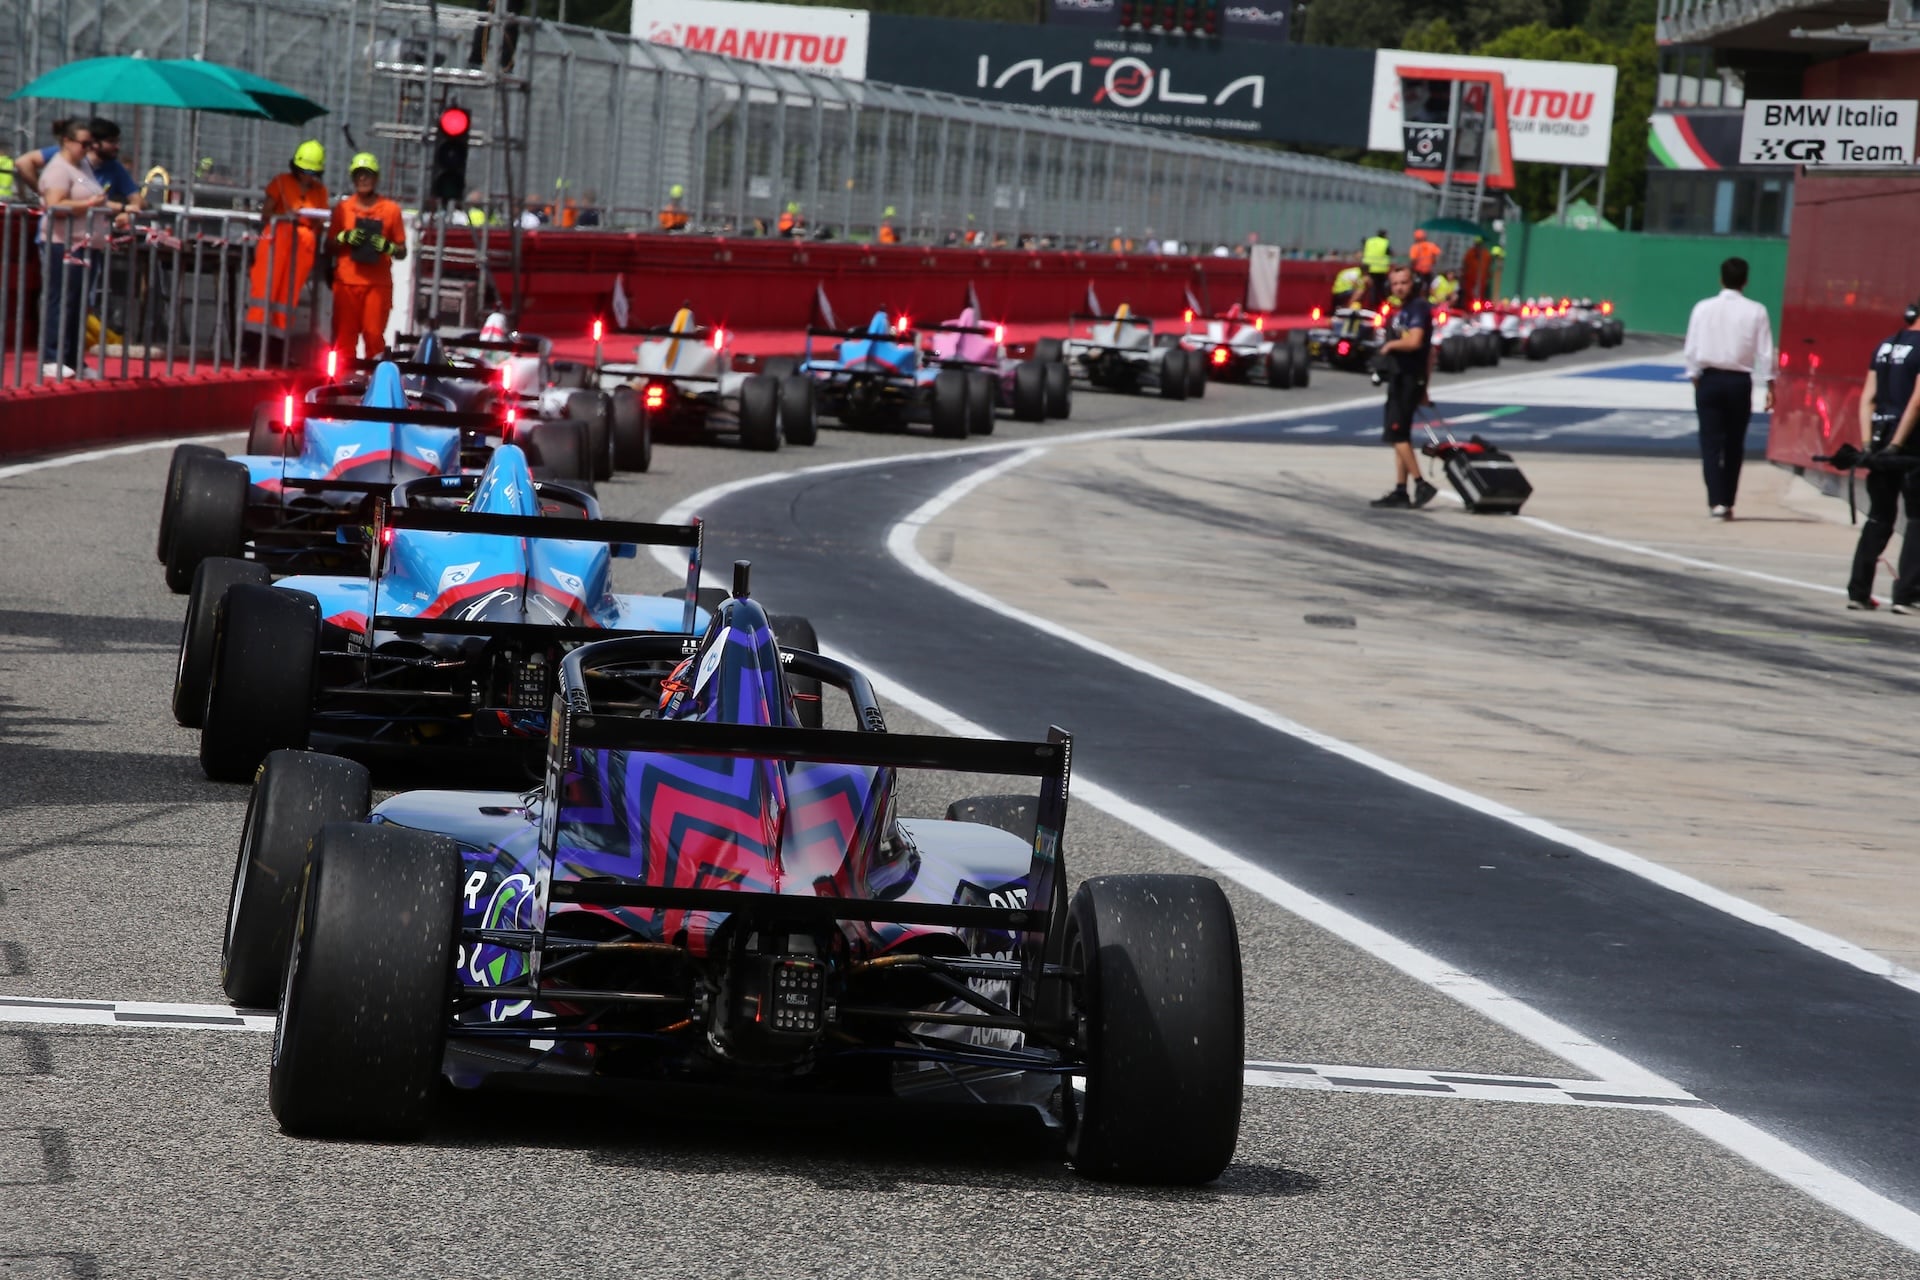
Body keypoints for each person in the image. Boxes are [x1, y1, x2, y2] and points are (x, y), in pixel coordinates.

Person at [1683, 256, 1775, 520]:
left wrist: (1695, 377)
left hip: (1709, 379)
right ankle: (1728, 500)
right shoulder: (1756, 310)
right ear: (1745, 281)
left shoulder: (1703, 308)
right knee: (1735, 444)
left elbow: (1691, 348)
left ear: (1721, 279)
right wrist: (1771, 384)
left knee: (1710, 444)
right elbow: (1765, 352)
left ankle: (1715, 502)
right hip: (1739, 382)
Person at [1847, 301, 1920, 611]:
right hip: (1911, 444)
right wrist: (1898, 444)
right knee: (1917, 518)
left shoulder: (1885, 345)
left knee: (1879, 516)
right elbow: (1917, 401)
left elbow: (1868, 397)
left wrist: (1868, 444)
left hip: (1878, 439)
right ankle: (1907, 594)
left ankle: (1858, 591)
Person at [35, 120, 108, 378]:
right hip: (62, 244)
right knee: (61, 299)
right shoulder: (58, 169)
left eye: (91, 144)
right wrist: (89, 205)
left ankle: (74, 358)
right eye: (84, 144)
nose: (88, 149)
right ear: (67, 141)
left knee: (79, 303)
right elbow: (55, 204)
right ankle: (52, 356)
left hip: (86, 244)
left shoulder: (83, 166)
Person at [246, 140, 329, 349]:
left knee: (287, 296)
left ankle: (278, 345)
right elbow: (266, 214)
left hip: (302, 245)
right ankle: (253, 342)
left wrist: (310, 221)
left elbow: (320, 223)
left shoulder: (320, 192)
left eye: (312, 173)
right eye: (304, 171)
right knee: (265, 288)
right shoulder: (281, 182)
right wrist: (287, 216)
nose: (307, 176)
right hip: (276, 239)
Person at [1370, 265, 1438, 511]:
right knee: (1402, 437)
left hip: (1408, 378)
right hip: (1401, 378)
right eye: (1395, 283)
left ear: (1414, 283)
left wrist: (1390, 347)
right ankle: (1401, 490)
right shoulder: (1403, 310)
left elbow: (1416, 341)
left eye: (1404, 282)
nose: (1399, 287)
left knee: (1395, 434)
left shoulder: (1418, 308)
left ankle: (1421, 483)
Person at [325, 152, 406, 360]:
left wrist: (388, 247)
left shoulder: (391, 210)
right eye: (358, 174)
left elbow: (402, 251)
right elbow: (329, 245)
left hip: (377, 285)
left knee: (373, 336)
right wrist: (344, 237)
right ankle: (343, 377)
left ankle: (374, 376)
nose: (363, 179)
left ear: (376, 178)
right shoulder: (343, 209)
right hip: (346, 284)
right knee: (344, 337)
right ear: (353, 178)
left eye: (367, 174)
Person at [1361, 228, 1392, 307]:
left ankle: (1372, 305)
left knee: (1372, 289)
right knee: (1382, 289)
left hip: (1369, 268)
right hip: (1380, 269)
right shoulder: (1384, 242)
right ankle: (1381, 305)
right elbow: (1389, 252)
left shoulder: (1370, 241)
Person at [1409, 228, 1440, 294]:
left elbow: (1413, 260)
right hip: (1429, 270)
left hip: (1418, 271)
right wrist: (1433, 261)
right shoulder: (1431, 245)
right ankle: (1427, 297)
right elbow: (1437, 254)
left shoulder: (1415, 247)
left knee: (1417, 286)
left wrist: (1410, 268)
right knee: (1429, 285)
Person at [1461, 238, 1491, 304]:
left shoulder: (1486, 254)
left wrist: (1487, 277)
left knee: (1480, 295)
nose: (1478, 246)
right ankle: (1468, 306)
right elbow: (1465, 265)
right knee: (1468, 295)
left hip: (1481, 280)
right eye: (1477, 244)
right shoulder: (1470, 253)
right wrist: (1463, 276)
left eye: (1480, 245)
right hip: (1470, 279)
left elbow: (1489, 267)